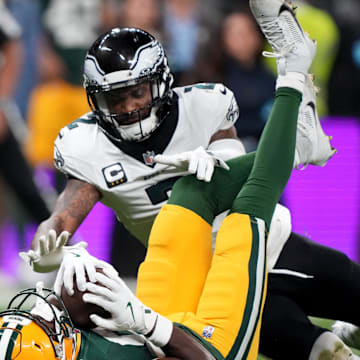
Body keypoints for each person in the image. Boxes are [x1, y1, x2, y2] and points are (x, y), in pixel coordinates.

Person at [3, 3, 321, 355]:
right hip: (202, 252)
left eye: (136, 93)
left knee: (210, 191)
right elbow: (61, 218)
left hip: (203, 244)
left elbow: (238, 181)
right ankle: (297, 133)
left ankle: (296, 117)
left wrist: (143, 320)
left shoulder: (199, 106)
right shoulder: (88, 146)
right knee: (294, 331)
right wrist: (142, 320)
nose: (127, 108)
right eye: (115, 98)